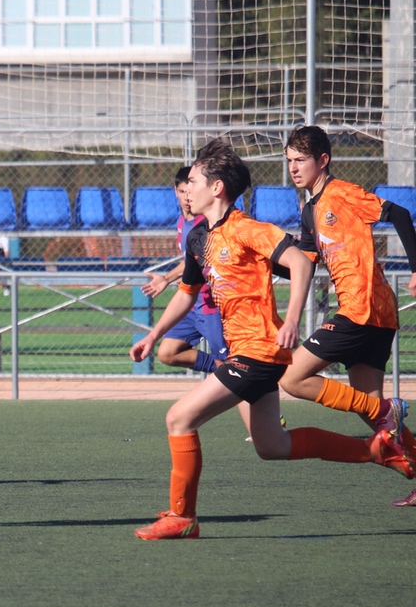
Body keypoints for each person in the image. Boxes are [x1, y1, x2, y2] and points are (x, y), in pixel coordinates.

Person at [129, 140, 415, 539]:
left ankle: (183, 517)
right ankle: (375, 450)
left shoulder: (247, 228)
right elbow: (187, 293)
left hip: (259, 352)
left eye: (192, 181)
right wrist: (154, 334)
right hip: (247, 351)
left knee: (179, 418)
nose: (185, 189)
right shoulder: (197, 238)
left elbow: (300, 262)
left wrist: (292, 319)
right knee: (272, 446)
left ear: (216, 188)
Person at [276, 125, 416, 507]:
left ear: (323, 160)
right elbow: (302, 266)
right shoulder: (309, 211)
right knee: (373, 413)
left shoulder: (343, 193)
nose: (293, 168)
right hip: (374, 314)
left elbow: (400, 213)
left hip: (362, 309)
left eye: (300, 160)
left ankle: (387, 410)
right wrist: (263, 260)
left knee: (291, 377)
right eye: (289, 161)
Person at [141, 166, 253, 438]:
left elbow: (197, 261)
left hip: (212, 306)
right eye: (182, 191)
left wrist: (167, 278)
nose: (186, 196)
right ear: (175, 192)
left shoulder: (208, 223)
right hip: (192, 306)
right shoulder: (182, 223)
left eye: (189, 189)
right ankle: (217, 367)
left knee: (236, 369)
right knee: (168, 353)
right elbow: (190, 263)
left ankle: (263, 426)